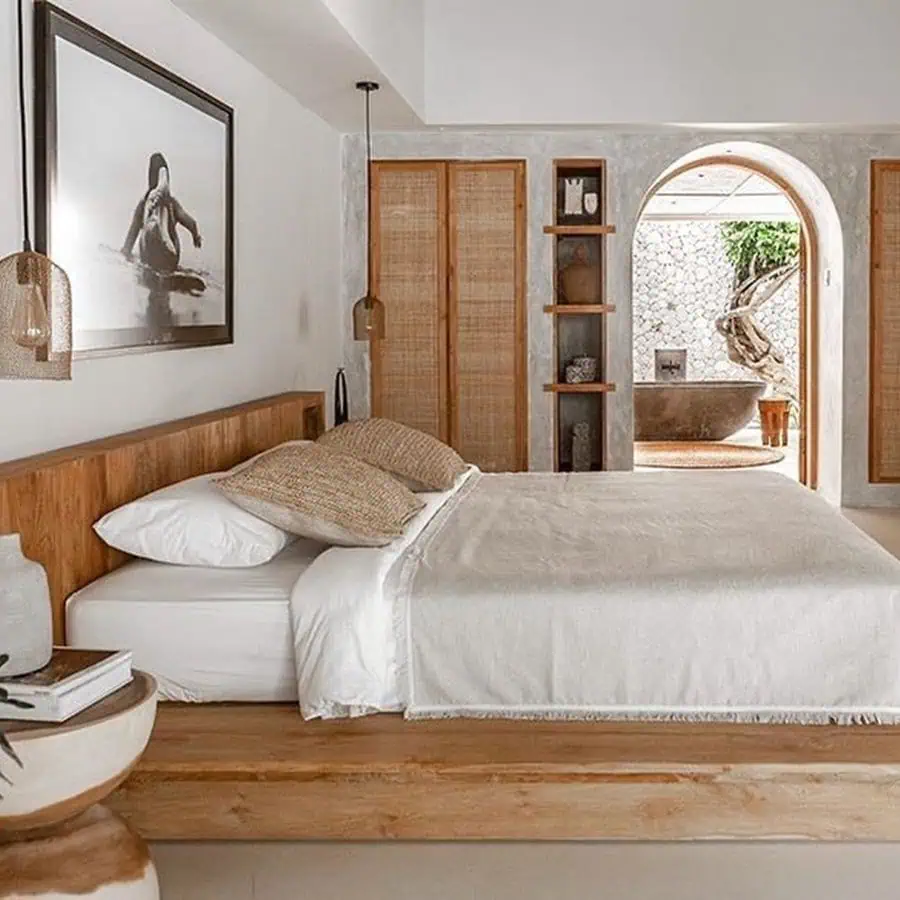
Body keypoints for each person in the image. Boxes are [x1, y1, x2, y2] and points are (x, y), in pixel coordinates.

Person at [121, 152, 202, 275]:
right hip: (170, 259)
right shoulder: (172, 203)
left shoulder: (143, 205)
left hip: (149, 257)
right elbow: (192, 223)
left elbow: (129, 242)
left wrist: (126, 255)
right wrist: (196, 237)